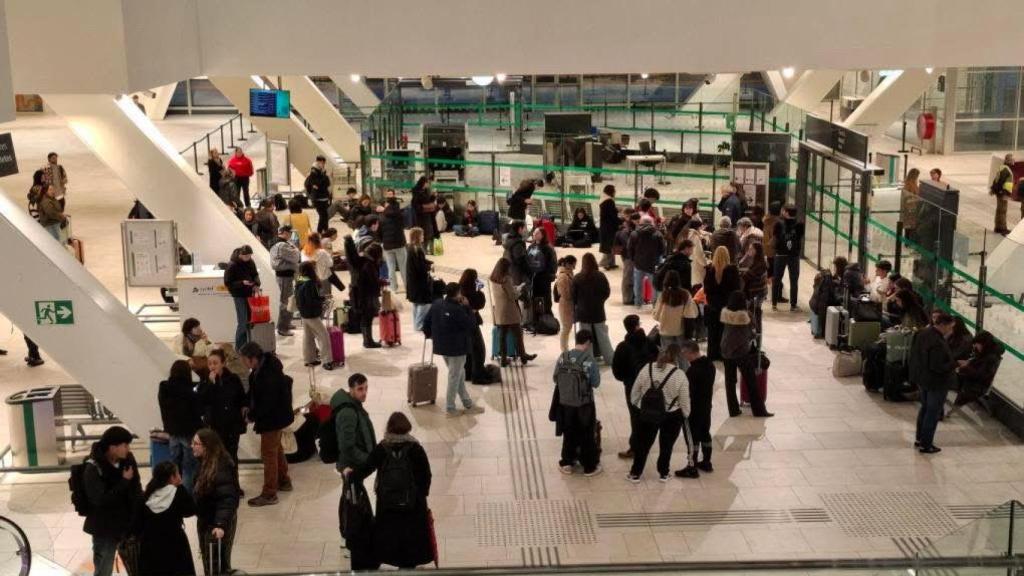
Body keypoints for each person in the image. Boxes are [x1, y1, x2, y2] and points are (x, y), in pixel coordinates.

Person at [350, 412, 434, 569]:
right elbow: (426, 476)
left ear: (389, 428)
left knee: (390, 537)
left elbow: (366, 469)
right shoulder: (416, 449)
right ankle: (408, 566)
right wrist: (420, 497)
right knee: (409, 541)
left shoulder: (382, 448)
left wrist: (351, 474)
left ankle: (392, 559)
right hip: (412, 506)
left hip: (387, 506)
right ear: (407, 429)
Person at [628, 343, 696, 482]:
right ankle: (663, 473)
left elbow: (635, 392)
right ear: (677, 358)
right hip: (671, 415)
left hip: (647, 413)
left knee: (643, 444)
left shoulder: (647, 369)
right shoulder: (680, 375)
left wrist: (638, 405)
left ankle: (635, 473)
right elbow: (684, 399)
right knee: (666, 445)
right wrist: (685, 414)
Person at [331, 373, 379, 570]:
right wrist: (368, 460)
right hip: (351, 466)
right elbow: (347, 445)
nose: (364, 393)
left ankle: (347, 534)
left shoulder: (353, 406)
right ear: (350, 389)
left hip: (354, 465)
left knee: (350, 498)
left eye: (366, 388)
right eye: (360, 389)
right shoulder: (348, 412)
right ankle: (346, 536)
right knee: (350, 501)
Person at [239, 342, 294, 506]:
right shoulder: (261, 369)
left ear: (253, 359)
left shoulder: (268, 374)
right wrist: (246, 404)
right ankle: (284, 481)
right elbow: (254, 394)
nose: (243, 363)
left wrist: (252, 416)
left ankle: (270, 493)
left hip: (273, 418)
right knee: (276, 449)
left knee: (268, 454)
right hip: (276, 416)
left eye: (244, 360)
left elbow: (267, 403)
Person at [82, 426, 141, 576]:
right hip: (104, 528)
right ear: (113, 447)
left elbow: (136, 489)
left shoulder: (128, 459)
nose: (128, 449)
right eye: (125, 445)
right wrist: (124, 481)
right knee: (104, 569)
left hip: (127, 523)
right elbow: (100, 500)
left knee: (136, 565)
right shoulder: (93, 468)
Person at [424, 283, 486, 417]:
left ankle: (468, 403)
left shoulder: (437, 304)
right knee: (454, 376)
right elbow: (471, 324)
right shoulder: (458, 309)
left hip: (442, 346)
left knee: (459, 375)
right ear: (458, 294)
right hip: (457, 348)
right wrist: (468, 307)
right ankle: (450, 408)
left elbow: (426, 322)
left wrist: (431, 335)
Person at [552, 329, 602, 476]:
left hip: (565, 403)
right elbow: (596, 383)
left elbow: (555, 378)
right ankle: (589, 466)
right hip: (584, 404)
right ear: (587, 342)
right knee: (587, 433)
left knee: (569, 431)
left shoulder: (563, 356)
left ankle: (567, 462)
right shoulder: (589, 360)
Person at [191, 428, 240, 575]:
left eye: (196, 443)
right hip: (207, 519)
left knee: (217, 564)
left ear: (207, 446)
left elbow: (228, 499)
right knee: (209, 561)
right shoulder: (204, 463)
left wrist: (220, 525)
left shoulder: (221, 467)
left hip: (217, 524)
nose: (191, 445)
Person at [136, 462, 197, 576]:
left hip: (150, 547)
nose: (180, 476)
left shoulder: (148, 495)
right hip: (175, 544)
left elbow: (138, 523)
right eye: (178, 473)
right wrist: (181, 486)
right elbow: (191, 510)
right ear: (172, 477)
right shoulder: (178, 492)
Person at [612, 315, 659, 459]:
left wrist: (626, 379)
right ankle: (646, 443)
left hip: (632, 386)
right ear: (638, 326)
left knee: (635, 415)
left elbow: (617, 370)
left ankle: (635, 447)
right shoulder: (649, 343)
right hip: (650, 384)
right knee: (649, 413)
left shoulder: (623, 346)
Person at [909, 312, 957, 454]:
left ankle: (919, 439)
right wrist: (954, 365)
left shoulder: (923, 333)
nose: (951, 330)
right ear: (943, 325)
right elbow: (937, 366)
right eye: (950, 327)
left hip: (922, 378)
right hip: (936, 382)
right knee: (932, 412)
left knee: (925, 409)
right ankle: (926, 444)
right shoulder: (937, 342)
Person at [721, 291, 773, 418]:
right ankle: (759, 411)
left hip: (726, 349)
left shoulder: (725, 314)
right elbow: (752, 333)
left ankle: (733, 410)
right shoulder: (747, 316)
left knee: (730, 381)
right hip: (740, 352)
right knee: (751, 382)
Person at [198, 349, 248, 472]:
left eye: (215, 363)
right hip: (215, 426)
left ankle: (234, 486)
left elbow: (242, 399)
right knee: (216, 457)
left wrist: (244, 414)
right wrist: (211, 384)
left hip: (232, 426)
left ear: (223, 363)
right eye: (210, 363)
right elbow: (203, 401)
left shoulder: (233, 379)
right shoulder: (205, 381)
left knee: (232, 456)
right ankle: (219, 486)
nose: (212, 366)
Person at [158, 360, 203, 493]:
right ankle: (187, 496)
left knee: (174, 467)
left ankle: (173, 494)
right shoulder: (190, 390)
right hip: (189, 433)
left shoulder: (164, 387)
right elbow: (198, 411)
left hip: (172, 433)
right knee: (189, 468)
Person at [489, 258, 537, 367]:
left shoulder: (494, 278)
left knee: (503, 335)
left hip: (500, 309)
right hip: (510, 310)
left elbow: (505, 291)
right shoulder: (507, 279)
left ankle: (503, 359)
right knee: (518, 334)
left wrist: (513, 288)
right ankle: (523, 356)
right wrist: (519, 289)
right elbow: (513, 296)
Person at [679, 339, 716, 474]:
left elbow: (688, 393)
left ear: (691, 352)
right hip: (706, 407)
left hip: (694, 409)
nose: (684, 356)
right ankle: (707, 462)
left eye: (684, 353)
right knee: (705, 433)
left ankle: (691, 466)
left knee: (692, 437)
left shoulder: (693, 371)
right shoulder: (710, 365)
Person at [571, 252, 614, 364]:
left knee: (586, 338)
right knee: (603, 336)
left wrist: (578, 304)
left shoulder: (577, 278)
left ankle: (588, 359)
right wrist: (600, 301)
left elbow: (573, 296)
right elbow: (607, 292)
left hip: (583, 312)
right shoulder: (601, 276)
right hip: (598, 311)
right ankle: (609, 358)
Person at [295, 261, 338, 370]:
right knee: (324, 336)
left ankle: (309, 359)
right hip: (311, 314)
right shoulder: (310, 283)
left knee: (308, 336)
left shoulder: (300, 280)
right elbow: (311, 300)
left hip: (303, 313)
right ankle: (327, 361)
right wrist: (323, 299)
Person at [703, 246, 741, 361]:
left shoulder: (710, 270)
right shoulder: (732, 270)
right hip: (727, 306)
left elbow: (706, 290)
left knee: (712, 333)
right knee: (725, 332)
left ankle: (712, 354)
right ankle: (723, 354)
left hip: (712, 306)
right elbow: (737, 289)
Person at [346, 237, 385, 348]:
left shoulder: (362, 261)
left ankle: (367, 340)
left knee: (365, 318)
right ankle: (368, 341)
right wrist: (382, 282)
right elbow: (372, 281)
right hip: (367, 296)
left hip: (359, 294)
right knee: (367, 318)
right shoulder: (369, 264)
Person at [223, 245, 260, 351]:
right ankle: (239, 348)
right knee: (243, 322)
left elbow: (255, 274)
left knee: (250, 321)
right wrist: (242, 283)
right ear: (240, 255)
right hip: (238, 295)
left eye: (250, 255)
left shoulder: (250, 262)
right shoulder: (232, 265)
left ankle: (247, 345)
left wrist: (256, 284)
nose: (248, 258)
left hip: (249, 293)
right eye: (246, 256)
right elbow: (228, 283)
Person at [953, 331, 1004, 407]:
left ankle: (939, 408)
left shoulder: (991, 359)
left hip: (975, 387)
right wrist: (968, 363)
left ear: (984, 344)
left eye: (977, 344)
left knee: (943, 380)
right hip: (970, 381)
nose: (975, 346)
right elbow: (977, 365)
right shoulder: (985, 353)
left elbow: (981, 375)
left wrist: (965, 368)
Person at [458, 269, 491, 383]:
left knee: (467, 351)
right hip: (471, 324)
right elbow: (480, 304)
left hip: (462, 325)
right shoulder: (471, 293)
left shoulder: (459, 290)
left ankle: (467, 373)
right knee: (478, 350)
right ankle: (477, 374)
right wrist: (479, 291)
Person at [269, 225, 301, 336]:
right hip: (284, 277)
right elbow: (296, 257)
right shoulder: (281, 245)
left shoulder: (283, 243)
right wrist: (296, 250)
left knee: (289, 300)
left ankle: (286, 323)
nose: (290, 235)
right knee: (285, 302)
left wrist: (294, 250)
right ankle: (283, 328)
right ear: (284, 232)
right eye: (289, 232)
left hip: (286, 276)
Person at [771, 205, 804, 311]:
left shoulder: (778, 223)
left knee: (777, 279)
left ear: (785, 212)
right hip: (794, 255)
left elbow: (775, 237)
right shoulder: (800, 224)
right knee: (794, 280)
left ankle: (774, 304)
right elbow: (800, 238)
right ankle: (793, 305)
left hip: (780, 254)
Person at [629, 215, 665, 308]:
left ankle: (638, 303)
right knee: (654, 285)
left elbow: (630, 248)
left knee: (638, 284)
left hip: (638, 263)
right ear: (651, 223)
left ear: (641, 222)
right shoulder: (657, 234)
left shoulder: (634, 234)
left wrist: (634, 259)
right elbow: (662, 249)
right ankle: (654, 304)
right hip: (653, 264)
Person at [654, 271, 695, 352]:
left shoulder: (663, 295)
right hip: (680, 330)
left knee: (667, 357)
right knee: (682, 357)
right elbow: (690, 314)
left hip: (665, 330)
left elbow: (656, 316)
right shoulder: (685, 294)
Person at [377, 188, 408, 291]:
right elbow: (404, 224)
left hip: (387, 245)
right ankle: (408, 287)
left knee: (391, 268)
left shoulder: (381, 218)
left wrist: (383, 241)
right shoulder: (398, 215)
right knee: (403, 267)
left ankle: (394, 287)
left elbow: (379, 233)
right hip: (399, 244)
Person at [405, 227, 434, 331]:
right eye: (422, 235)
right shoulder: (417, 249)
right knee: (424, 303)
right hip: (418, 282)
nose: (423, 237)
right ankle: (419, 324)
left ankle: (416, 323)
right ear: (418, 236)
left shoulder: (411, 248)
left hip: (412, 281)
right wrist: (429, 267)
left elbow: (420, 262)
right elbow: (420, 266)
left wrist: (428, 263)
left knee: (416, 303)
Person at [527, 226, 558, 316]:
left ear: (543, 235)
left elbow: (553, 264)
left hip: (544, 278)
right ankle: (537, 318)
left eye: (537, 233)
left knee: (545, 299)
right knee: (535, 298)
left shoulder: (548, 248)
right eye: (534, 233)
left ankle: (547, 318)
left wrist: (549, 275)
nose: (534, 234)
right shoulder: (531, 246)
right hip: (534, 278)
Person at [738, 241, 769, 331]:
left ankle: (755, 330)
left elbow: (746, 277)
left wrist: (746, 256)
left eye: (751, 249)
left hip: (757, 292)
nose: (749, 250)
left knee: (754, 310)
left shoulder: (760, 264)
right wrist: (747, 255)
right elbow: (741, 264)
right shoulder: (757, 260)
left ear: (757, 251)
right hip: (756, 291)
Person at [553, 255, 577, 352]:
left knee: (568, 327)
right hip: (566, 305)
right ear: (568, 264)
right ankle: (564, 349)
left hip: (569, 304)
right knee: (566, 328)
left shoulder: (568, 273)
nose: (574, 267)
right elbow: (565, 294)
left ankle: (565, 348)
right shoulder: (563, 276)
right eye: (573, 265)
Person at [616, 211, 640, 304]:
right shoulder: (626, 231)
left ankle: (632, 297)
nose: (637, 222)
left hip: (634, 257)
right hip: (629, 257)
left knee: (633, 277)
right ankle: (627, 299)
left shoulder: (635, 230)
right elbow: (628, 244)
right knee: (628, 277)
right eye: (636, 220)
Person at [306, 155, 333, 234]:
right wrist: (325, 177)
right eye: (322, 163)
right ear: (318, 162)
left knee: (325, 215)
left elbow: (327, 183)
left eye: (324, 163)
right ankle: (320, 231)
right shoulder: (314, 171)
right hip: (317, 198)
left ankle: (324, 231)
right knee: (323, 215)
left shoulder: (322, 171)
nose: (323, 164)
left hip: (324, 197)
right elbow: (317, 184)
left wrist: (324, 178)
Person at [411, 176, 438, 252]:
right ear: (424, 183)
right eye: (427, 183)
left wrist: (433, 196)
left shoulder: (425, 191)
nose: (428, 184)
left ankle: (426, 250)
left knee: (428, 233)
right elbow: (416, 205)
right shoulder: (417, 192)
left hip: (427, 216)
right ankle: (422, 251)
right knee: (422, 233)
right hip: (420, 217)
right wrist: (427, 207)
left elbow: (428, 201)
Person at [303, 232, 335, 297]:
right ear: (318, 241)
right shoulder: (322, 252)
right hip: (323, 278)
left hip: (310, 279)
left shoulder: (303, 252)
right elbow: (330, 264)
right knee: (326, 298)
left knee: (314, 297)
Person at [762, 202, 782, 302]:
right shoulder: (776, 222)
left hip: (767, 250)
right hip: (774, 251)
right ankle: (776, 296)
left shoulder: (766, 219)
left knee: (770, 273)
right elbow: (775, 237)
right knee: (776, 274)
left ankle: (765, 293)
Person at [991, 153, 1015, 235]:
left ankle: (998, 227)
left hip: (1002, 193)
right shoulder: (1006, 169)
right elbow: (1000, 182)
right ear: (1008, 160)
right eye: (1012, 159)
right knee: (1002, 211)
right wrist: (1002, 192)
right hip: (1003, 193)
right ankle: (1002, 228)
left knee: (999, 210)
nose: (1013, 160)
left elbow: (997, 180)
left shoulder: (1003, 168)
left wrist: (995, 190)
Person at [502, 220, 531, 287]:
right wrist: (529, 272)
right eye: (524, 228)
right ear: (520, 229)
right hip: (517, 274)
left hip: (510, 271)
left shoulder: (509, 239)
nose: (525, 230)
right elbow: (520, 260)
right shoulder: (518, 243)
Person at [598, 184, 620, 269]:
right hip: (609, 227)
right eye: (614, 191)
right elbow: (612, 215)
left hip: (605, 226)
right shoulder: (609, 201)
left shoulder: (604, 200)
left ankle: (611, 263)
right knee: (609, 245)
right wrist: (619, 221)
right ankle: (604, 263)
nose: (615, 192)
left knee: (610, 245)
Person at [901, 167, 922, 242]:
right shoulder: (910, 184)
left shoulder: (911, 183)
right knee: (910, 226)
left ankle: (908, 241)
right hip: (911, 209)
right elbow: (909, 196)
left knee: (909, 226)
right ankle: (908, 241)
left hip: (911, 208)